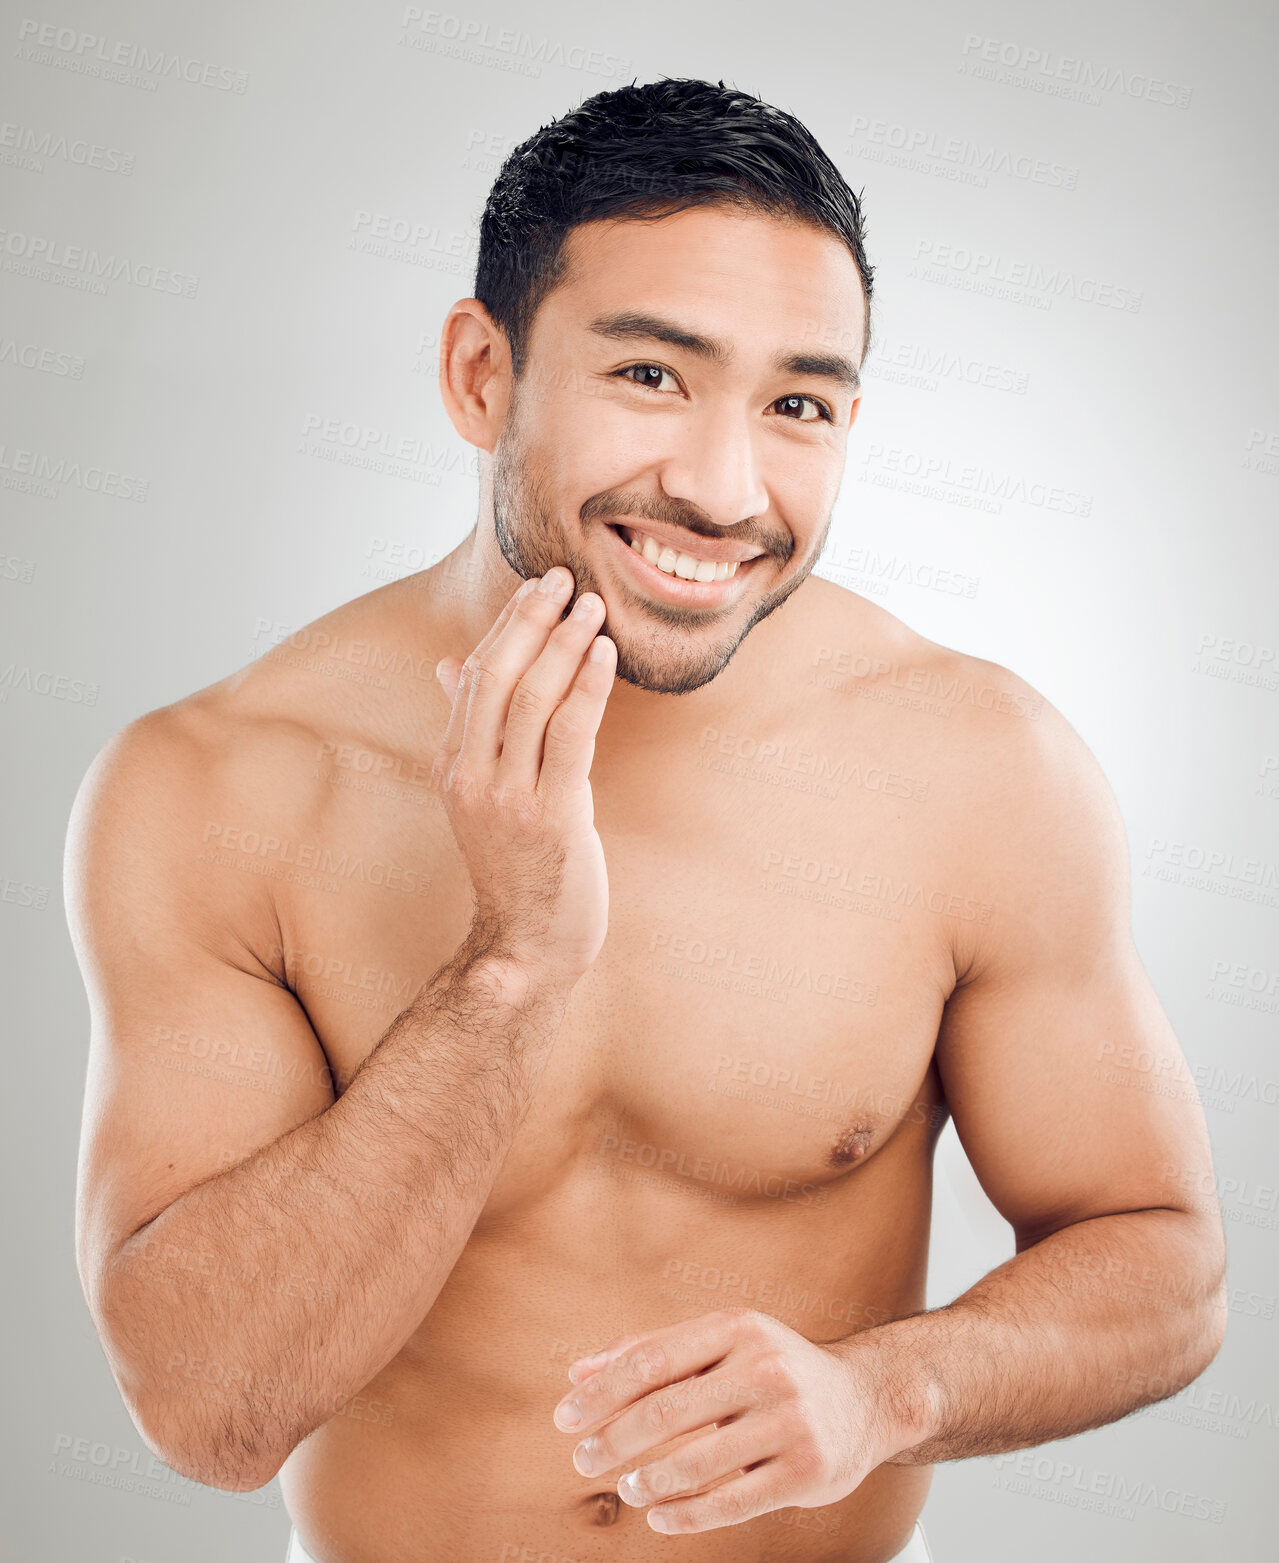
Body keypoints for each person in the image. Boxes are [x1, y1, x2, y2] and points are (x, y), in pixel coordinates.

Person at [66, 78, 1226, 1563]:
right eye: (652, 377)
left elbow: (1166, 1267)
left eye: (798, 404)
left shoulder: (978, 766)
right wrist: (508, 966)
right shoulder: (221, 786)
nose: (723, 488)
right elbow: (207, 1413)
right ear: (483, 374)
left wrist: (887, 1390)